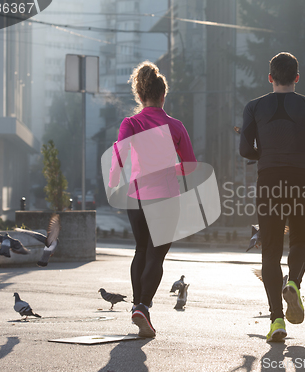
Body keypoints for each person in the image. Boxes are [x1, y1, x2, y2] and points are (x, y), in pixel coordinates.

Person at [239, 52, 305, 342]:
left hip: (269, 179)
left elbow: (244, 150)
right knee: (301, 241)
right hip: (302, 177)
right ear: (297, 77)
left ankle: (277, 319)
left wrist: (263, 156)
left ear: (270, 78)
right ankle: (293, 282)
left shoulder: (254, 107)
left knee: (270, 249)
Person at [108, 61, 196, 338]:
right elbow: (190, 165)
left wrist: (113, 184)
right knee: (156, 255)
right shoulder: (175, 126)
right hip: (166, 198)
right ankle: (144, 306)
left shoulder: (130, 123)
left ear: (140, 95)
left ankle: (137, 306)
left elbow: (119, 158)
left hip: (136, 198)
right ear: (163, 95)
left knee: (141, 251)